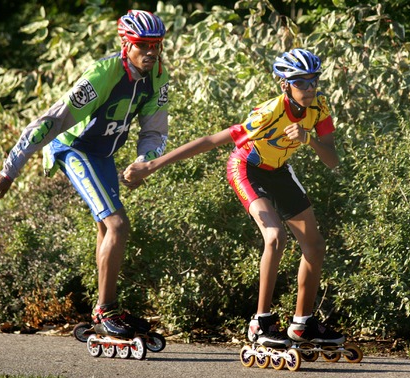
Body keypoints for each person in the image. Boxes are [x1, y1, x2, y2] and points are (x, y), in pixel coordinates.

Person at [123, 48, 346, 348]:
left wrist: (310, 139)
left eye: (314, 81)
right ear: (284, 84)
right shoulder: (269, 113)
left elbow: (332, 160)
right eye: (301, 82)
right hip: (247, 168)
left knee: (315, 245)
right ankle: (261, 322)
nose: (310, 88)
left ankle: (303, 325)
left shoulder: (319, 106)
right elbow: (212, 140)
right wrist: (151, 166)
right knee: (275, 236)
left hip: (278, 170)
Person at [0, 10, 170, 339]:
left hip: (104, 155)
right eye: (144, 44)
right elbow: (53, 120)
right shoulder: (104, 73)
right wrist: (9, 170)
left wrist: (145, 160)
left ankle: (104, 308)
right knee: (118, 224)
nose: (152, 51)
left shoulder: (158, 76)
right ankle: (105, 309)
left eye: (157, 44)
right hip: (73, 148)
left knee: (106, 226)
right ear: (127, 44)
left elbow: (155, 133)